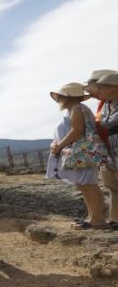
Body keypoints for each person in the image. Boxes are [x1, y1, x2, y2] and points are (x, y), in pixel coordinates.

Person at [47, 82, 106, 229]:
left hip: (83, 152)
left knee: (89, 185)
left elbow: (77, 131)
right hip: (81, 153)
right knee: (84, 185)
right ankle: (92, 217)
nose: (57, 100)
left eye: (59, 96)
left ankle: (98, 220)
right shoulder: (75, 109)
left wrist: (59, 146)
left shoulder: (77, 109)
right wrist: (56, 144)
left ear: (68, 97)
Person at [88, 71, 118, 229]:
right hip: (110, 149)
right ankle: (115, 218)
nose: (96, 91)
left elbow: (107, 122)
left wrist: (106, 122)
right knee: (112, 186)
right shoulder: (106, 104)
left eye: (100, 87)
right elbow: (106, 122)